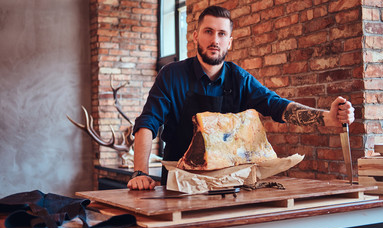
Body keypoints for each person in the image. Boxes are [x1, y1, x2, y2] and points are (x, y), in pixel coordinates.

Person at [127, 6, 355, 190]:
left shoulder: (240, 79)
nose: (214, 39)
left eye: (221, 34)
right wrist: (140, 172)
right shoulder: (172, 75)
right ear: (196, 35)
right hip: (178, 185)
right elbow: (148, 123)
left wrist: (328, 118)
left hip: (228, 185)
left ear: (229, 41)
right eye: (208, 31)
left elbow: (277, 106)